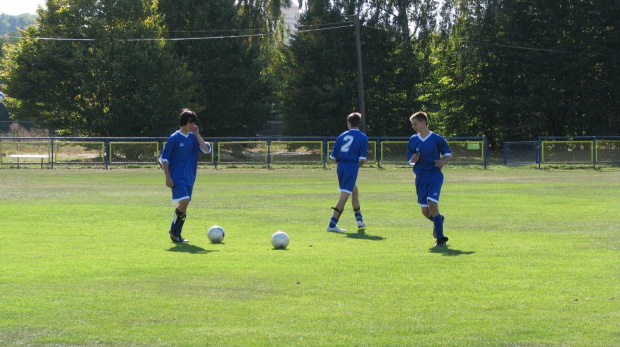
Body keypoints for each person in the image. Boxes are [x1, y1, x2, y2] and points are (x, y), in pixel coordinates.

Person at [159, 109, 211, 243]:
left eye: (194, 122)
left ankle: (177, 233)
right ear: (183, 122)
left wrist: (197, 134)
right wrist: (168, 177)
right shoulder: (174, 138)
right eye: (190, 122)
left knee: (185, 205)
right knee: (185, 201)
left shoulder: (194, 138)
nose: (192, 125)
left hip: (190, 177)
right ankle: (173, 230)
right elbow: (164, 159)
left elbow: (206, 150)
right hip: (177, 177)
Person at [407, 111, 452, 247]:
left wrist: (442, 161)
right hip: (420, 177)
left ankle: (440, 239)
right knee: (426, 212)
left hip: (434, 175)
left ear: (423, 123)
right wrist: (413, 160)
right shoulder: (413, 139)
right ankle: (439, 220)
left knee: (433, 204)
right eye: (412, 124)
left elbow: (448, 154)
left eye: (415, 124)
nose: (413, 126)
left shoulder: (436, 138)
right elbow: (410, 160)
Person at [327, 112, 368, 233]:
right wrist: (355, 167)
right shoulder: (363, 137)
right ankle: (332, 224)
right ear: (359, 123)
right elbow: (363, 160)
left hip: (340, 166)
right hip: (351, 166)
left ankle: (359, 219)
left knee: (353, 191)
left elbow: (332, 157)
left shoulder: (341, 136)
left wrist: (341, 165)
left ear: (349, 123)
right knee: (344, 196)